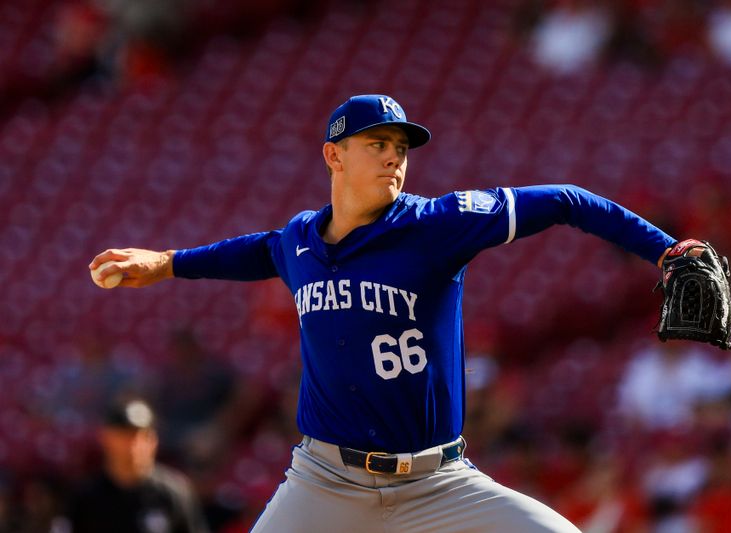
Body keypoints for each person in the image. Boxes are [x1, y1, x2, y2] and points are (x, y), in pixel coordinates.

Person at [89, 94, 686, 532]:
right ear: (334, 155)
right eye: (376, 144)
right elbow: (256, 251)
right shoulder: (299, 240)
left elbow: (566, 201)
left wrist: (667, 249)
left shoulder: (436, 225)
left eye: (400, 148)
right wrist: (167, 263)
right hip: (325, 481)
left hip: (439, 483)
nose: (393, 159)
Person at [65, 396, 210, 533]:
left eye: (140, 436)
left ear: (153, 440)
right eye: (124, 436)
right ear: (106, 438)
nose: (132, 445)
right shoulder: (86, 498)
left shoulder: (173, 493)